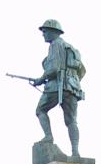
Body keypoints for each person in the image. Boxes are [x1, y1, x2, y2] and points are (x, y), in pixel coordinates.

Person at [30, 20, 86, 157]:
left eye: (45, 32)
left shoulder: (55, 45)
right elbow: (82, 71)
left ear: (53, 32)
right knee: (71, 120)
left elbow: (54, 68)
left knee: (40, 110)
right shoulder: (69, 47)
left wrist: (40, 80)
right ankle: (75, 151)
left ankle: (48, 136)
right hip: (72, 87)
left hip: (57, 85)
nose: (43, 35)